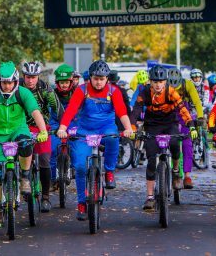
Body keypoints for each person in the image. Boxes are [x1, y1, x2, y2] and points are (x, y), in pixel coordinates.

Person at [0, 62, 49, 226]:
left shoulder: (23, 93)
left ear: (15, 81)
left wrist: (43, 131)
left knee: (26, 144)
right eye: (4, 82)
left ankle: (25, 176)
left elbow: (35, 112)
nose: (7, 86)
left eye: (10, 82)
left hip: (17, 130)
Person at [56, 61, 134, 221]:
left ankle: (109, 171)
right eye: (96, 78)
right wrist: (62, 128)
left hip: (106, 128)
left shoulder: (114, 91)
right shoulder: (82, 90)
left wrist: (128, 128)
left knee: (113, 139)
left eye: (102, 79)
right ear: (90, 78)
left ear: (107, 79)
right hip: (84, 130)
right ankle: (81, 204)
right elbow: (71, 110)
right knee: (79, 167)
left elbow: (121, 112)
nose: (98, 82)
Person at [130, 65, 198, 211]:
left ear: (165, 82)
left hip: (169, 124)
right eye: (155, 82)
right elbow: (136, 109)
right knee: (151, 160)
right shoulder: (145, 92)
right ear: (150, 82)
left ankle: (175, 171)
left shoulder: (171, 92)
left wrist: (191, 125)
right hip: (152, 125)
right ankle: (149, 197)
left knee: (175, 144)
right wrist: (132, 126)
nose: (158, 85)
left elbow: (182, 109)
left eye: (161, 82)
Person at [20, 61, 63, 212]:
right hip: (21, 128)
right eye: (27, 77)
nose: (30, 80)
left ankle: (45, 197)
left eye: (33, 77)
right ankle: (20, 185)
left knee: (45, 161)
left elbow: (57, 108)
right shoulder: (16, 88)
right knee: (18, 157)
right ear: (23, 76)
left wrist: (63, 127)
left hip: (42, 128)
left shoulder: (45, 89)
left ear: (38, 76)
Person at [167, 68, 203, 189]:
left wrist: (201, 117)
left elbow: (197, 101)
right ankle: (172, 170)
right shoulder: (164, 84)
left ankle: (187, 175)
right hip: (169, 112)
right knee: (172, 142)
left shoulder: (187, 84)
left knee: (187, 144)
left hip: (184, 114)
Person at [49, 64, 75, 189]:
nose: (64, 85)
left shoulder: (77, 93)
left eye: (66, 82)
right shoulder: (52, 94)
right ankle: (52, 178)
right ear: (57, 83)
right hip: (55, 124)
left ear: (71, 81)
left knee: (76, 148)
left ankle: (74, 169)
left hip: (72, 124)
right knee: (52, 150)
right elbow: (48, 112)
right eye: (61, 82)